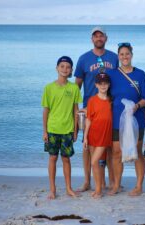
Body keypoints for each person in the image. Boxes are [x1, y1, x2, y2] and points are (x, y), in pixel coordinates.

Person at [74, 26, 118, 192]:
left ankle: (110, 181)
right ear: (92, 39)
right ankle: (87, 181)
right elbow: (76, 87)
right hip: (89, 108)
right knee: (88, 146)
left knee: (108, 145)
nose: (98, 38)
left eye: (101, 36)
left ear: (106, 38)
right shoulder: (84, 58)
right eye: (95, 36)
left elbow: (120, 79)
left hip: (109, 106)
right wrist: (76, 110)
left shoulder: (114, 58)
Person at [108, 42, 145, 196]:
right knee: (117, 152)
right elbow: (103, 91)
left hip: (136, 118)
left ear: (131, 55)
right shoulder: (112, 74)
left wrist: (137, 106)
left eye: (127, 53)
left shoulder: (140, 74)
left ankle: (139, 186)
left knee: (137, 152)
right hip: (116, 119)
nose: (124, 56)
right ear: (118, 56)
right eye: (121, 54)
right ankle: (117, 185)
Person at [42, 56, 82, 199]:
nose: (65, 69)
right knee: (52, 158)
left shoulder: (74, 88)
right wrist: (45, 131)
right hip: (52, 129)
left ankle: (68, 188)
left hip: (67, 130)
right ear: (57, 68)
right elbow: (46, 111)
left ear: (71, 70)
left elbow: (76, 111)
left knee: (66, 159)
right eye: (62, 66)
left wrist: (76, 130)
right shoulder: (48, 88)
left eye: (68, 67)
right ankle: (52, 190)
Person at [83, 73, 112, 199]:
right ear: (96, 85)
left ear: (109, 85)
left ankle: (99, 189)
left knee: (95, 161)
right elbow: (89, 119)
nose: (103, 85)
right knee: (96, 163)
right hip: (93, 134)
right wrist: (85, 137)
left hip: (104, 135)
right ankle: (98, 187)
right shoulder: (92, 100)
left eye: (105, 83)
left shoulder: (112, 100)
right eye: (100, 83)